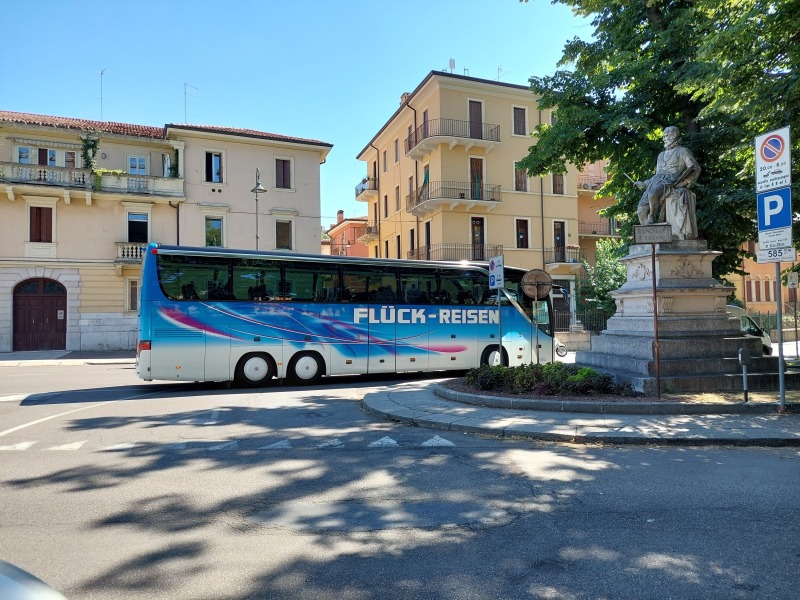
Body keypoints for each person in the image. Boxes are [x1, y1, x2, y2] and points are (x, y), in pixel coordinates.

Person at [635, 126, 701, 239]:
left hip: (670, 181)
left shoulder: (683, 151)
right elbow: (657, 175)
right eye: (664, 136)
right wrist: (644, 183)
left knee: (652, 194)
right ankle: (653, 238)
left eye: (666, 136)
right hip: (656, 182)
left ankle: (652, 216)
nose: (664, 138)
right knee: (641, 211)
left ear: (674, 136)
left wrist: (685, 181)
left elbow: (695, 168)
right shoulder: (660, 155)